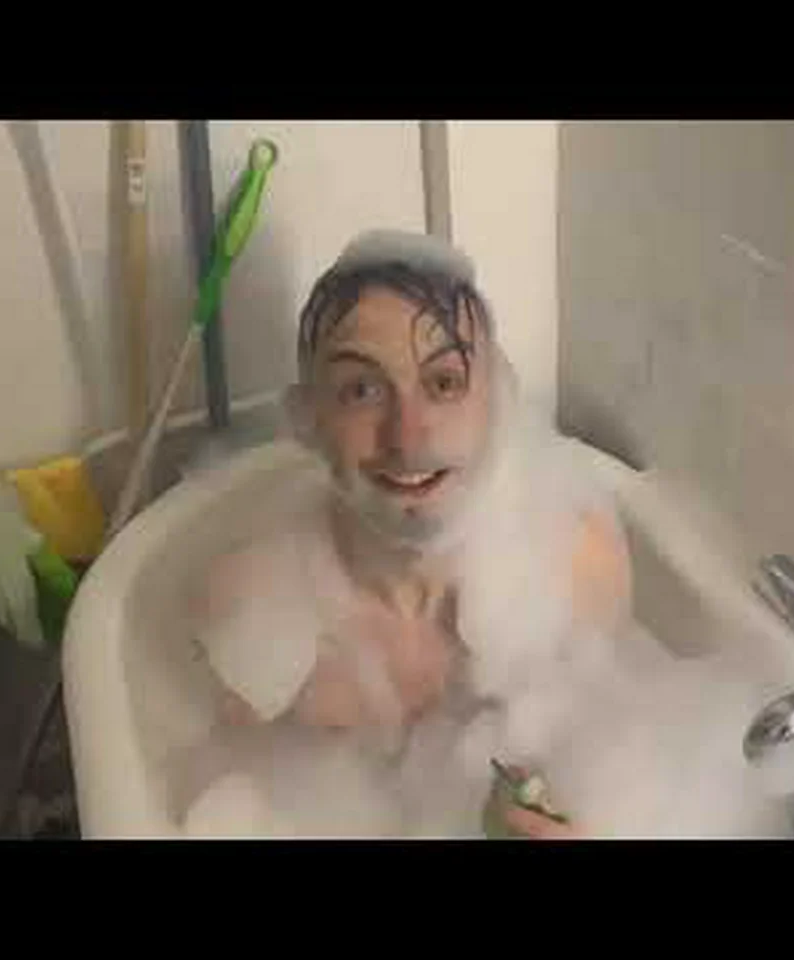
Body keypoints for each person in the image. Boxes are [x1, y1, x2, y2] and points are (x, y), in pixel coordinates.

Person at [193, 230, 632, 838]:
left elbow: (610, 755)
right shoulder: (251, 612)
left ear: (495, 403)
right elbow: (209, 793)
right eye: (362, 390)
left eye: (444, 382)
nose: (408, 436)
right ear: (310, 419)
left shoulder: (578, 571)